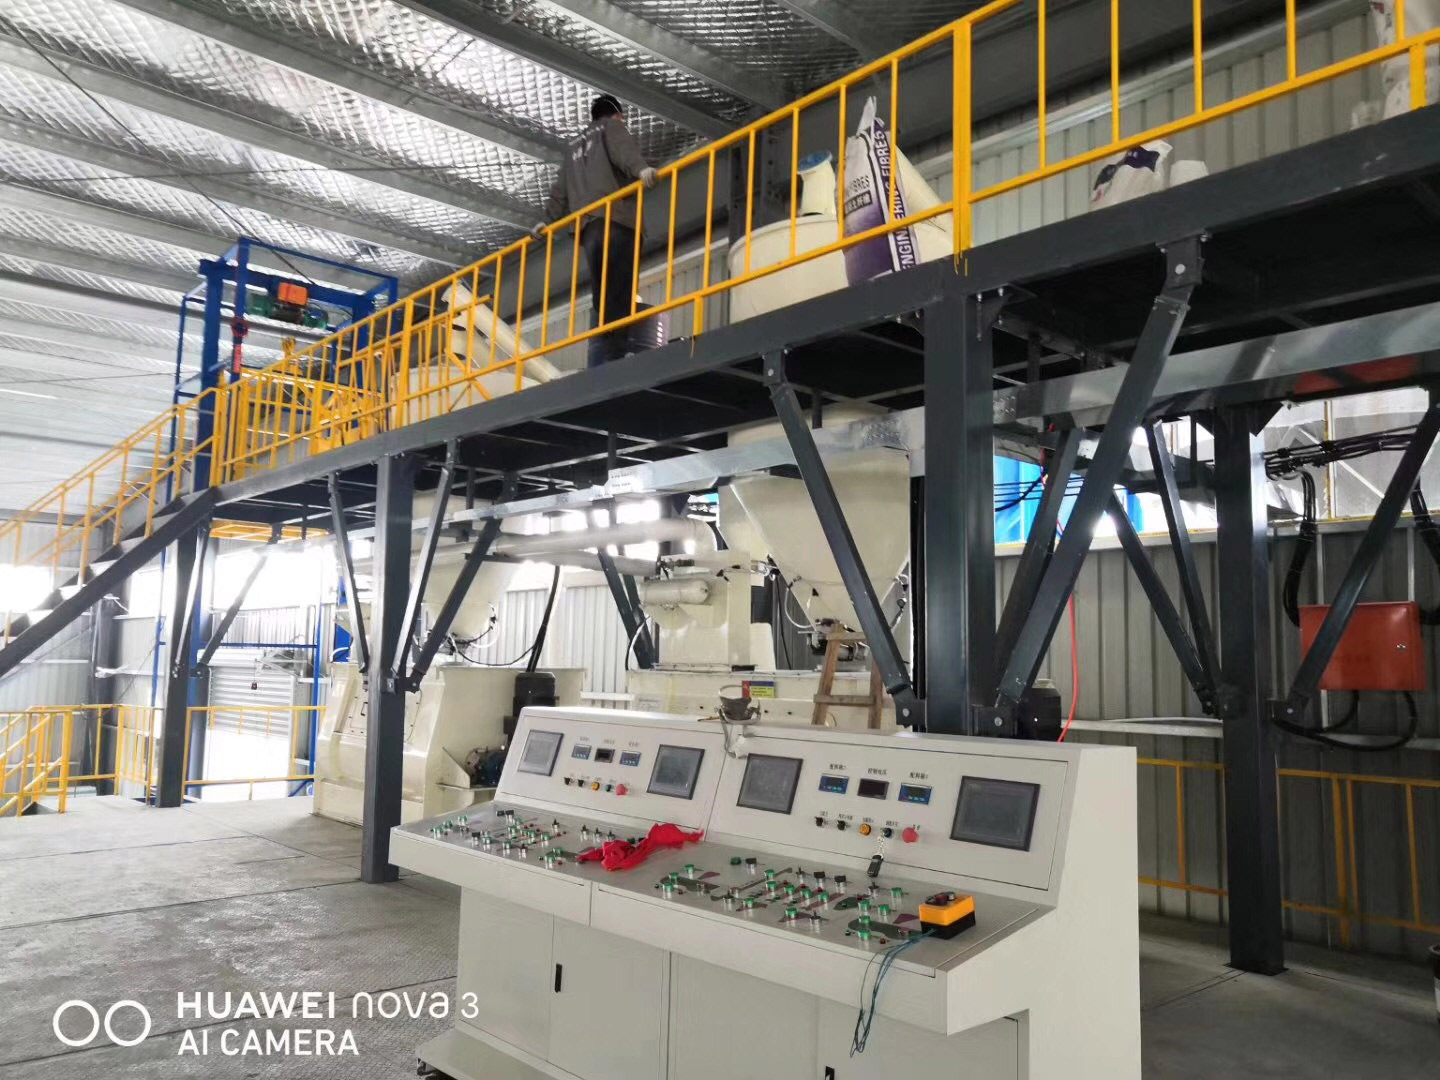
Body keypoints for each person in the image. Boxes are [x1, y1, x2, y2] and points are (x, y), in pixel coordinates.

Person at [538, 95, 656, 366]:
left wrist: (547, 220)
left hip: (588, 229)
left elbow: (560, 189)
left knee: (602, 294)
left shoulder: (574, 147)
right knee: (621, 289)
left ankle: (606, 352)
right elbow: (624, 151)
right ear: (616, 114)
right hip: (616, 219)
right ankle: (616, 354)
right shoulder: (611, 128)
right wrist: (641, 170)